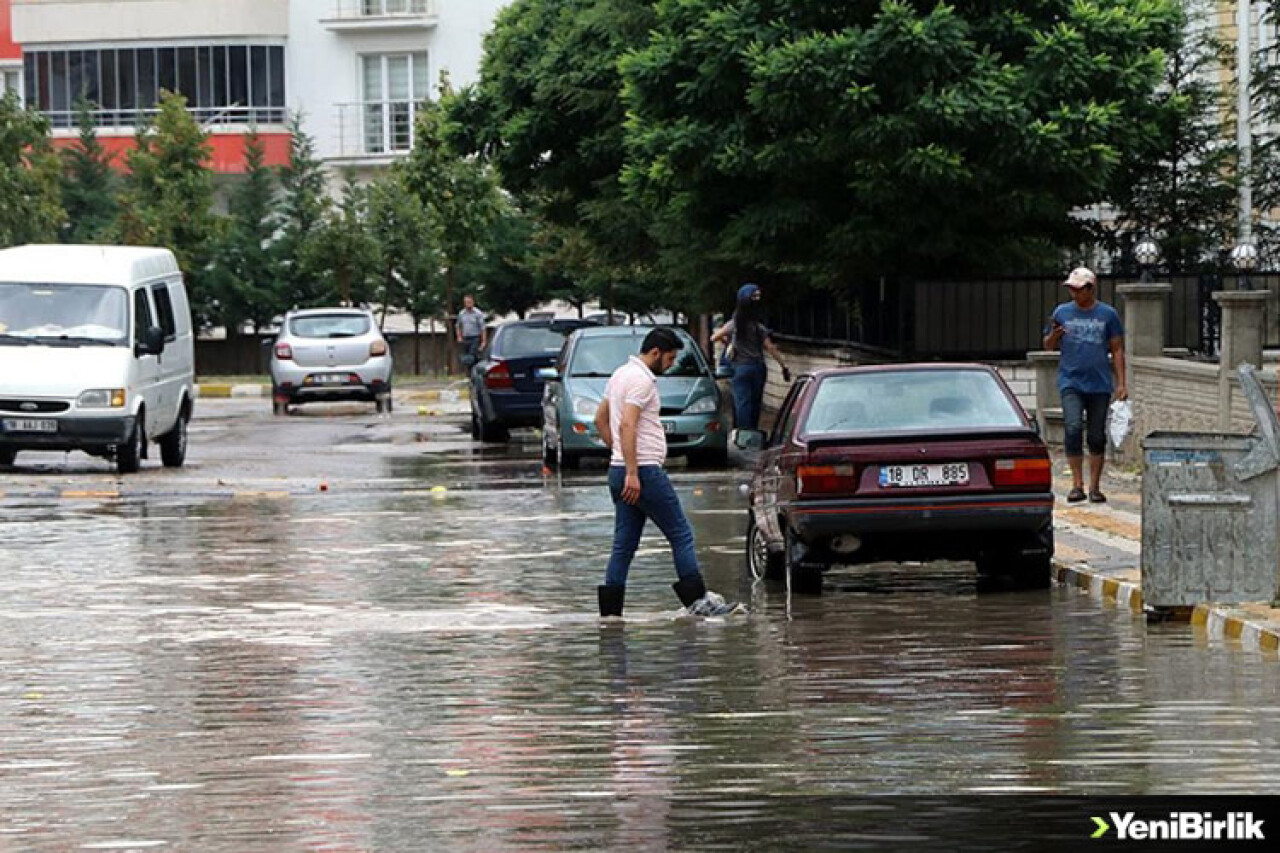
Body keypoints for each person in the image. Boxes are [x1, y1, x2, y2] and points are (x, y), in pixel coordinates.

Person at [593, 328, 738, 618]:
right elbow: (627, 425)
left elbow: (600, 419)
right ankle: (700, 604)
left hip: (620, 469)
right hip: (643, 471)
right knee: (681, 534)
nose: (671, 364)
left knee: (624, 544)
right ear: (656, 352)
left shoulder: (620, 374)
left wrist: (619, 456)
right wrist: (633, 471)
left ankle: (610, 615)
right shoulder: (641, 381)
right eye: (670, 357)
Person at [1042, 266, 1127, 504]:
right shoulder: (1062, 312)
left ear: (1091, 289)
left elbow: (1117, 348)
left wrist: (1122, 382)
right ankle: (1076, 483)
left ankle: (1095, 486)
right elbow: (1047, 345)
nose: (1074, 294)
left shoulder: (1107, 315)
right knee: (1072, 427)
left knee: (1097, 435)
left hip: (1099, 383)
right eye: (1071, 289)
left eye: (1079, 290)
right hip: (1071, 380)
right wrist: (1055, 336)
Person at [710, 284, 792, 431]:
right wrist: (784, 366)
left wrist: (728, 342)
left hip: (740, 368)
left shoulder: (734, 324)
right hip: (758, 368)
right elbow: (770, 347)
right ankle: (753, 432)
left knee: (742, 403)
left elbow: (714, 337)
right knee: (755, 402)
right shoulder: (758, 327)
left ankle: (743, 434)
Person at [456, 295, 487, 369]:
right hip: (465, 338)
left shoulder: (478, 313)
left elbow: (482, 328)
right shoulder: (461, 313)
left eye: (469, 302)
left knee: (472, 356)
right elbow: (458, 326)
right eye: (466, 302)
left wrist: (483, 341)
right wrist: (459, 336)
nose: (468, 304)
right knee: (467, 358)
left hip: (475, 338)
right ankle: (470, 374)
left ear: (473, 302)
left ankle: (473, 373)